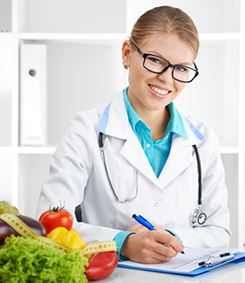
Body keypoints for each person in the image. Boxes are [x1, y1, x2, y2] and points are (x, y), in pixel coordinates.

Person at [36, 6, 231, 264]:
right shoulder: (85, 129)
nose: (166, 79)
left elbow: (219, 233)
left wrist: (170, 238)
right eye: (156, 60)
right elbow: (51, 223)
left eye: (182, 68)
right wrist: (122, 243)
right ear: (127, 54)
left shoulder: (202, 140)